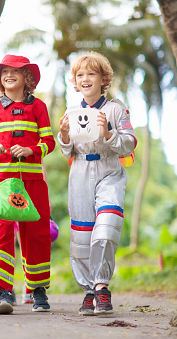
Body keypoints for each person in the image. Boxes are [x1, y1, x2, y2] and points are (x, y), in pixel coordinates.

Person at [57, 51, 136, 315]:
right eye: (80, 75)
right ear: (75, 81)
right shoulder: (72, 110)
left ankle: (102, 286)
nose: (85, 78)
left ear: (104, 79)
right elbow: (67, 152)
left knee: (106, 226)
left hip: (108, 171)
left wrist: (109, 132)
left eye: (91, 73)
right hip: (80, 172)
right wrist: (64, 136)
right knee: (81, 236)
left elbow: (129, 144)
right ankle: (89, 291)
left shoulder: (116, 108)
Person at [0, 54, 55, 314]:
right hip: (4, 181)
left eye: (15, 71)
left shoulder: (39, 107)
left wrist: (32, 150)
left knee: (36, 232)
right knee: (2, 231)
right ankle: (2, 291)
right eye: (4, 72)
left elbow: (49, 143)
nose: (8, 75)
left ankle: (38, 290)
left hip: (33, 180)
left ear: (27, 78)